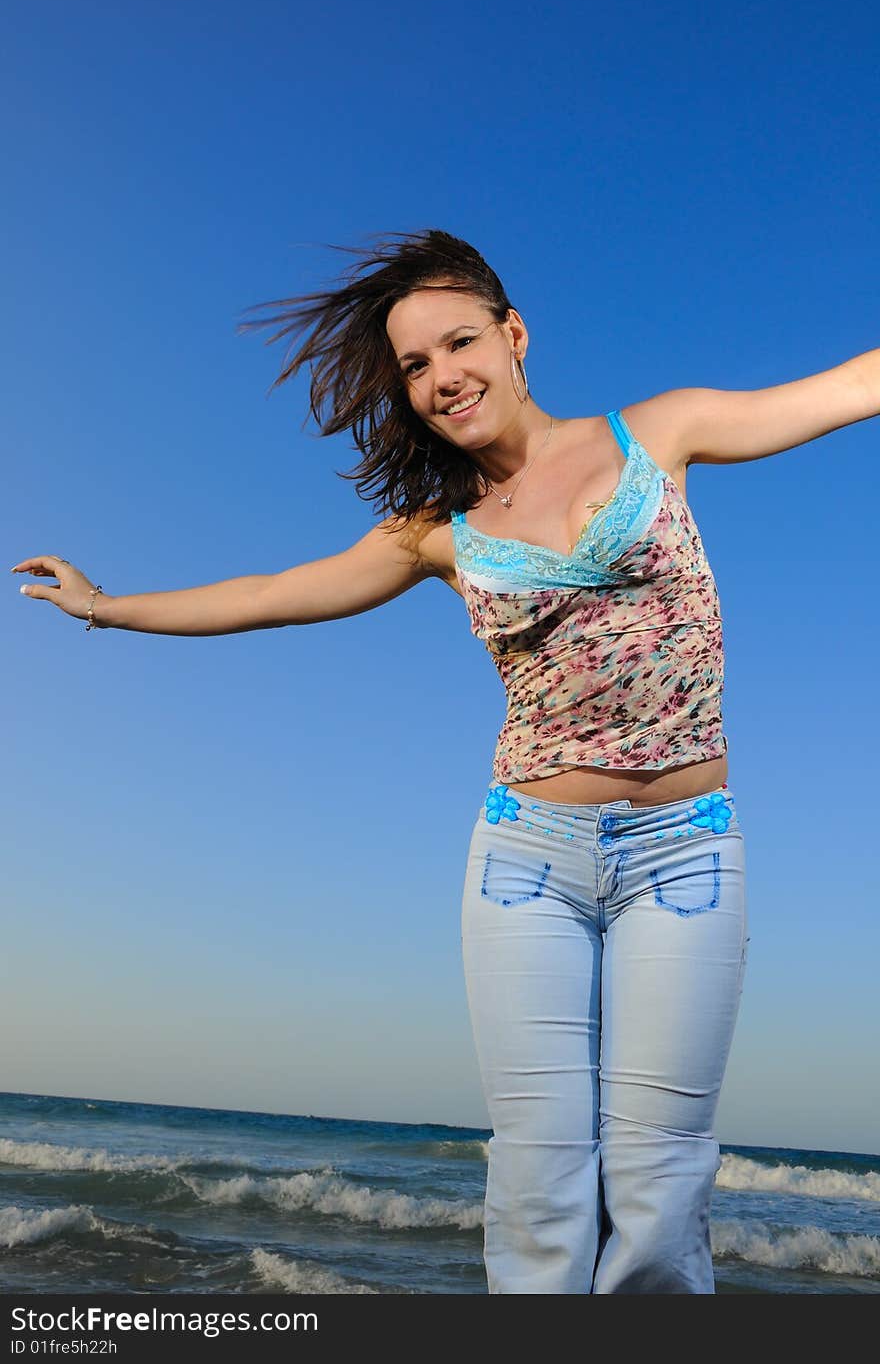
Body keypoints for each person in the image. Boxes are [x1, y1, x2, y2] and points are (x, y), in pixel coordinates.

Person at [13, 229, 877, 1294]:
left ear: (513, 337)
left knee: (658, 1184)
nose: (440, 378)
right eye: (415, 366)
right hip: (526, 861)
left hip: (685, 855)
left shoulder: (664, 430)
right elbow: (270, 595)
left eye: (457, 343)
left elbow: (847, 384)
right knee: (539, 1183)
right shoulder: (440, 531)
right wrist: (107, 609)